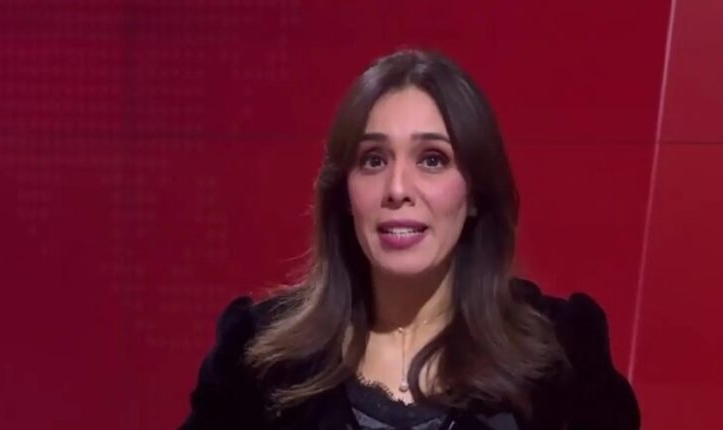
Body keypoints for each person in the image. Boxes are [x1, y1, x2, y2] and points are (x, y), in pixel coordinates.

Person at [179, 49, 640, 430]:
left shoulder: (563, 355)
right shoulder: (257, 358)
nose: (397, 188)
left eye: (432, 159)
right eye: (373, 160)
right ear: (345, 194)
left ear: (475, 192)